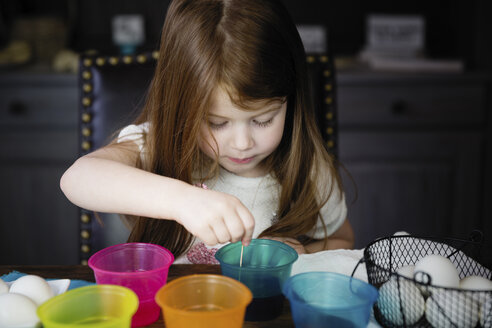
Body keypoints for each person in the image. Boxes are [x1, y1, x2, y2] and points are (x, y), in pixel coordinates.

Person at [60, 0, 354, 264]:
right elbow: (77, 178)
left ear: (291, 101)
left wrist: (302, 252)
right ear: (182, 107)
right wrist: (182, 200)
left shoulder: (308, 168)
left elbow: (343, 240)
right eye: (217, 123)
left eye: (263, 120)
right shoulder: (160, 147)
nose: (242, 144)